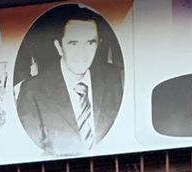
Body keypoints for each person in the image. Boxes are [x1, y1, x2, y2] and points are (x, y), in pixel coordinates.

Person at [15, 5, 122, 157]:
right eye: (73, 43)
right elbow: (31, 151)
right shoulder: (32, 92)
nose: (82, 54)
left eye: (90, 42)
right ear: (59, 46)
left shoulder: (113, 78)